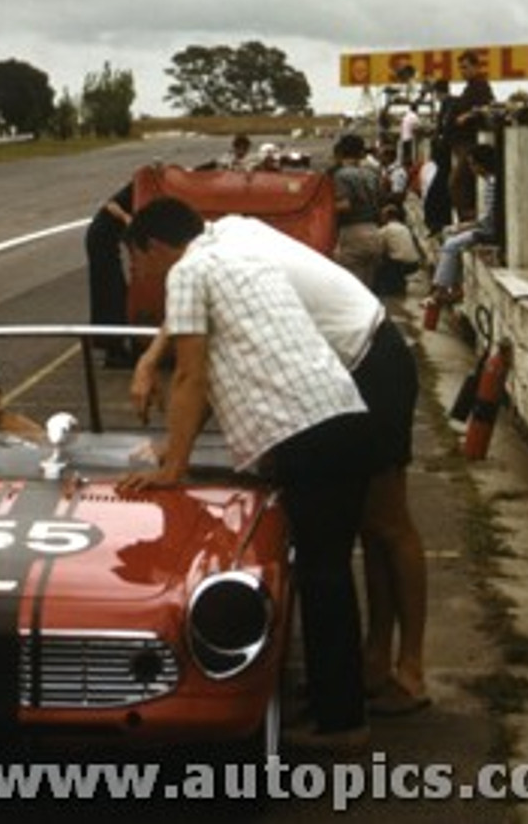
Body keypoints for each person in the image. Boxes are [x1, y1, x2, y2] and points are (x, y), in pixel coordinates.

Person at [130, 211, 430, 719]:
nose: (141, 275)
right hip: (343, 372)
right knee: (357, 527)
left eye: (138, 261)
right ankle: (373, 662)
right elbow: (206, 345)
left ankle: (410, 669)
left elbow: (193, 369)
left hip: (365, 358)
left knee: (385, 523)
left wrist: (173, 457)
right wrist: (172, 433)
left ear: (156, 245)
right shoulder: (228, 237)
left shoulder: (209, 258)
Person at [425, 143, 498, 306]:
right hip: (486, 226)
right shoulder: (489, 181)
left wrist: (467, 226)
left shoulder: (493, 183)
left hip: (490, 230)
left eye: (473, 164)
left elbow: (488, 219)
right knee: (450, 235)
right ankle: (452, 286)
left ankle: (442, 288)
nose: (472, 169)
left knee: (452, 243)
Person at [84, 182, 136, 368]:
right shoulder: (136, 187)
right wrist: (125, 218)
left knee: (115, 290)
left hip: (107, 239)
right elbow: (110, 204)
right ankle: (113, 350)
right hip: (101, 238)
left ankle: (115, 345)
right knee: (111, 292)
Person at [329, 133, 386, 290]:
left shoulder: (341, 175)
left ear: (340, 152)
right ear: (361, 153)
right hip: (375, 233)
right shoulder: (372, 174)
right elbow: (382, 201)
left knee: (352, 290)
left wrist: (324, 208)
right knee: (369, 289)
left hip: (353, 233)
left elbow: (344, 205)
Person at [447, 51, 495, 223]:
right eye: (460, 68)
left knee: (458, 183)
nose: (462, 71)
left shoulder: (481, 86)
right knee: (462, 185)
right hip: (461, 144)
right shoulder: (469, 88)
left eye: (466, 67)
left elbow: (488, 106)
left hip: (470, 143)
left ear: (476, 67)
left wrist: (468, 115)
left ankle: (469, 221)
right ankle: (467, 221)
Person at [373, 202, 427, 299]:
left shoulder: (386, 230)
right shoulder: (404, 227)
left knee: (379, 265)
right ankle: (398, 284)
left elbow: (378, 250)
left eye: (382, 215)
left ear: (387, 216)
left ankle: (386, 291)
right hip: (414, 263)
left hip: (399, 265)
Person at [423, 80, 455, 236]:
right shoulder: (447, 105)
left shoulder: (449, 104)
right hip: (443, 157)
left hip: (445, 157)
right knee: (441, 192)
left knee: (438, 193)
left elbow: (445, 129)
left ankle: (438, 223)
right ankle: (441, 223)